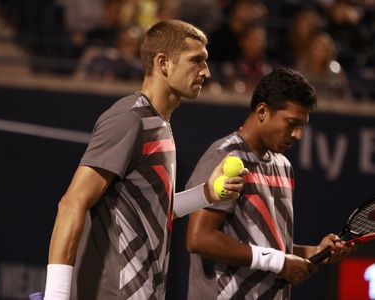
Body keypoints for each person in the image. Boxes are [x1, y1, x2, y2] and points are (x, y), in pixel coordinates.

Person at [43, 19, 247, 300]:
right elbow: (71, 203)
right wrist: (56, 295)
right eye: (196, 60)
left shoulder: (158, 123)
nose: (206, 71)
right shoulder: (129, 118)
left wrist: (206, 194)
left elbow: (151, 209)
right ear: (163, 63)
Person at [185, 68, 355, 300]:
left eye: (302, 125)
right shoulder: (224, 157)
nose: (297, 135)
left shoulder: (284, 166)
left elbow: (266, 245)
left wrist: (312, 252)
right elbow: (199, 238)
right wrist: (279, 261)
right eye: (292, 123)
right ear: (263, 111)